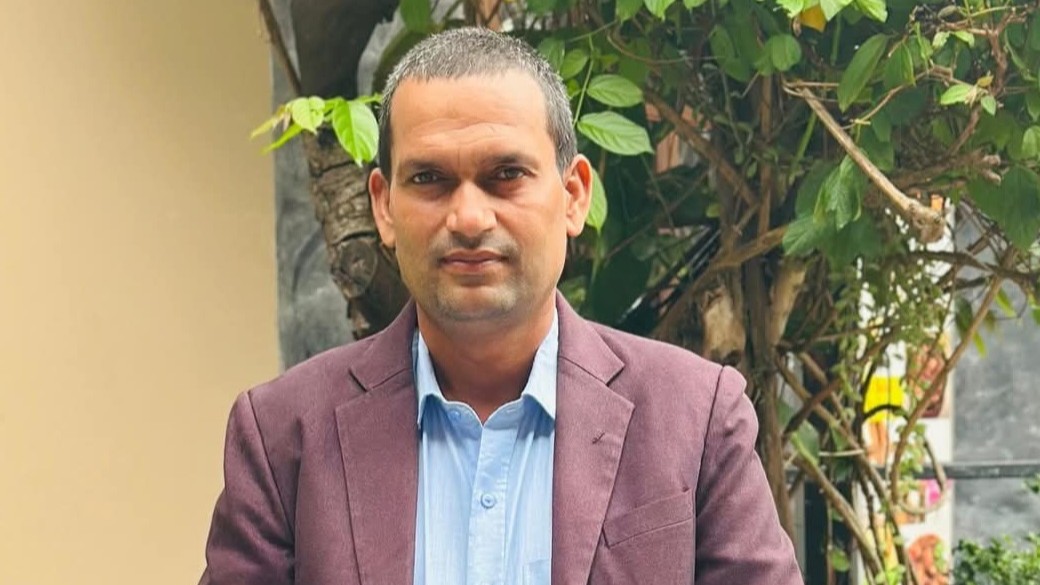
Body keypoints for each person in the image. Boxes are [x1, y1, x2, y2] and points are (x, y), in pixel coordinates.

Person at [200, 27, 802, 585]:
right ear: (383, 207)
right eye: (429, 179)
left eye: (506, 174)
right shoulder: (283, 436)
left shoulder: (695, 419)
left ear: (573, 196)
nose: (468, 218)